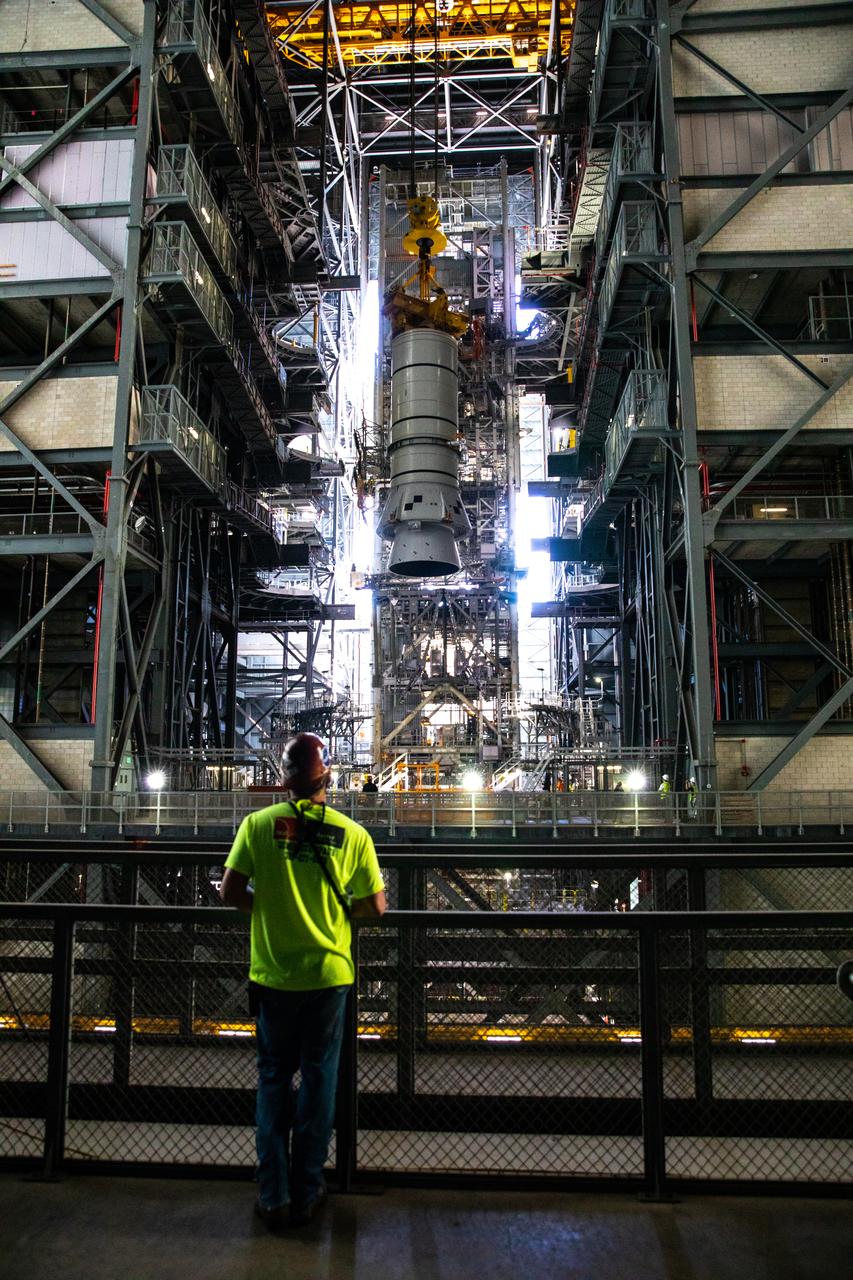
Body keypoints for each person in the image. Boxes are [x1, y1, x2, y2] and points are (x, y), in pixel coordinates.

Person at [220, 733, 386, 1230]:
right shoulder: (352, 834)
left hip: (273, 974)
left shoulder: (257, 825)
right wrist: (336, 917)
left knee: (273, 1080)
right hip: (329, 976)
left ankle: (273, 1194)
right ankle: (309, 1189)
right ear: (327, 776)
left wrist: (269, 909)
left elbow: (230, 891)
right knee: (319, 1081)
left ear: (283, 777)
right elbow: (375, 907)